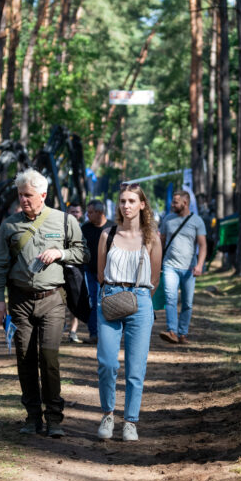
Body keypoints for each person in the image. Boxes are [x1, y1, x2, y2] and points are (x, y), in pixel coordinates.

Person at [0, 169, 87, 437]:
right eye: (20, 195)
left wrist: (60, 252)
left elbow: (82, 252)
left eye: (29, 195)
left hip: (53, 299)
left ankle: (54, 417)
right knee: (25, 357)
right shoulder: (9, 225)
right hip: (20, 301)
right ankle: (33, 416)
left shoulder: (64, 221)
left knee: (49, 357)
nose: (24, 200)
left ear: (43, 195)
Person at [96, 183, 161, 442]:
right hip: (110, 298)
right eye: (122, 201)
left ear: (142, 205)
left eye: (132, 201)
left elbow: (155, 275)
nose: (126, 206)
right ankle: (108, 414)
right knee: (107, 363)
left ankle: (130, 421)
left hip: (141, 300)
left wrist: (140, 298)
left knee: (136, 367)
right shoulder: (107, 235)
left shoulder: (152, 237)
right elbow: (100, 272)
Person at [158, 189, 207, 344]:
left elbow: (202, 245)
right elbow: (162, 241)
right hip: (169, 265)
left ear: (185, 203)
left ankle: (183, 333)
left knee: (187, 303)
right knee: (170, 299)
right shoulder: (167, 219)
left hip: (189, 268)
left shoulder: (197, 221)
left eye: (175, 202)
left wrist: (199, 265)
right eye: (173, 201)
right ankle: (172, 331)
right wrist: (158, 261)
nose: (172, 205)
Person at [78, 199, 113, 345]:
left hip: (110, 274)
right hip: (90, 272)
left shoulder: (114, 228)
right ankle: (94, 334)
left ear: (100, 212)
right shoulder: (85, 229)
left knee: (106, 303)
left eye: (91, 212)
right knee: (93, 302)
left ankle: (108, 333)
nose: (87, 215)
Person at [63, 201, 86, 343]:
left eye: (77, 212)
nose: (75, 214)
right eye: (72, 212)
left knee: (75, 303)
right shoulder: (61, 227)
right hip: (61, 269)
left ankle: (73, 332)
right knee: (59, 303)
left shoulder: (84, 228)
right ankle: (59, 329)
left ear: (81, 214)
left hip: (77, 270)